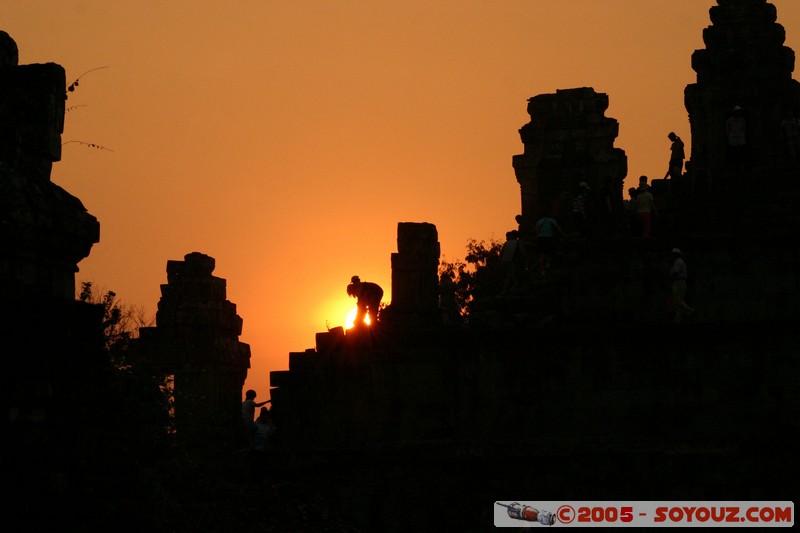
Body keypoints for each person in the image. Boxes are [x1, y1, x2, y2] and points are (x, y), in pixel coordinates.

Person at [534, 211, 565, 277]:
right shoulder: (551, 220)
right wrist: (563, 234)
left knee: (541, 255)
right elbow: (557, 227)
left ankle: (542, 271)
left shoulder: (538, 222)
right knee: (550, 252)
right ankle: (548, 264)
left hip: (541, 239)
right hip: (549, 238)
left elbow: (536, 232)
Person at [670, 248, 695, 324]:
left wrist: (670, 279)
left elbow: (675, 272)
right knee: (680, 300)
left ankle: (689, 310)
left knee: (677, 299)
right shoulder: (678, 261)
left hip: (678, 281)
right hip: (681, 281)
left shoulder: (678, 261)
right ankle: (677, 320)